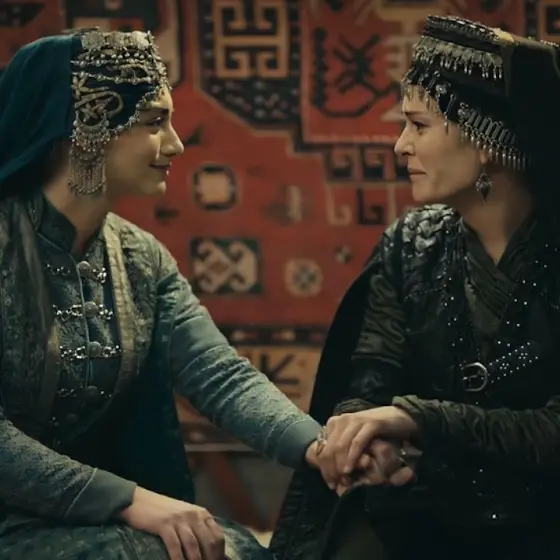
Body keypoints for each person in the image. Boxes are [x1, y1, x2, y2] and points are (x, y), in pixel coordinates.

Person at [0, 28, 337, 560]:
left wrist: (320, 448)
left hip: (97, 517)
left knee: (235, 549)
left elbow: (218, 375)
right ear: (87, 126)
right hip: (26, 517)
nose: (177, 144)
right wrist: (129, 500)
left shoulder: (139, 257)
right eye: (155, 122)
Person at [270, 15, 560, 560]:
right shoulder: (411, 244)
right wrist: (369, 442)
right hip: (429, 510)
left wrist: (417, 418)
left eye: (419, 126)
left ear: (483, 139)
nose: (400, 146)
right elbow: (370, 379)